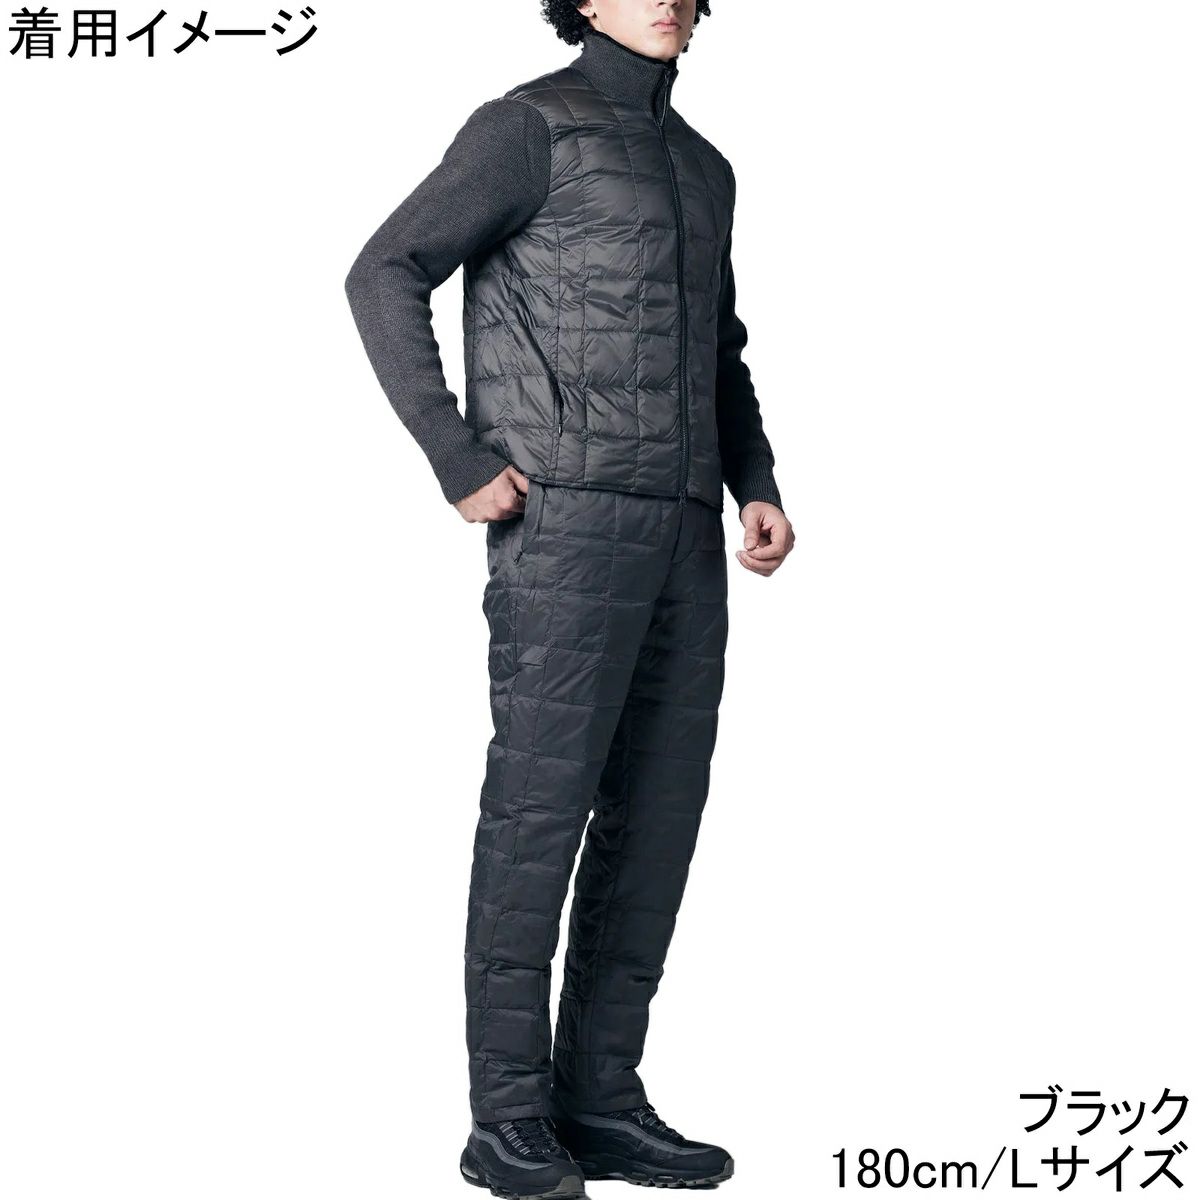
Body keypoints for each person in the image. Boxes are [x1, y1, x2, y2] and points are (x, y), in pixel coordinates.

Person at [344, 2, 794, 1195]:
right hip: (566, 523)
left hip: (685, 530)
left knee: (658, 816)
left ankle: (599, 1099)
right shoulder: (526, 128)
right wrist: (454, 454)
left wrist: (753, 480)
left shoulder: (706, 167)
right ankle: (505, 1119)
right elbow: (383, 268)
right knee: (538, 816)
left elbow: (720, 347)